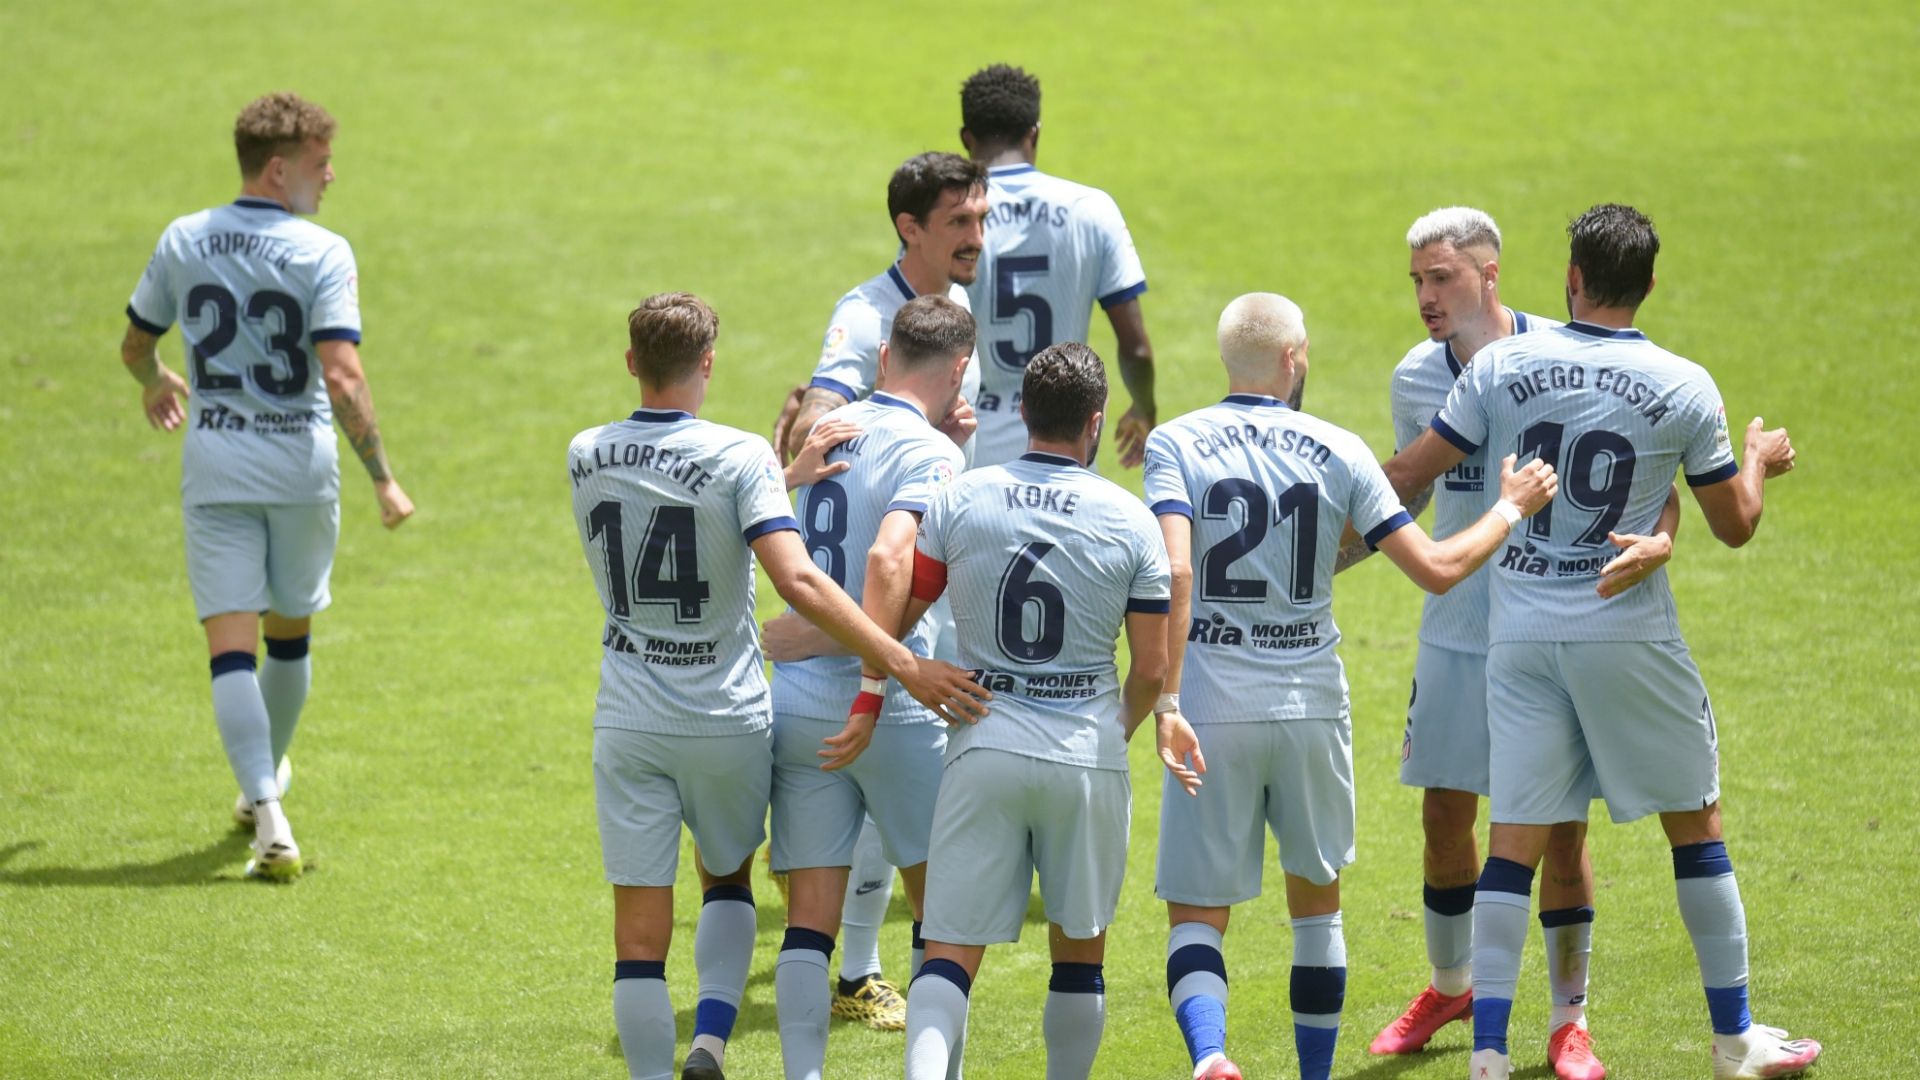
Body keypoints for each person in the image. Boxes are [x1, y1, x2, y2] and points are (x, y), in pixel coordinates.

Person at [1386, 204, 1816, 1080]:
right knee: (1695, 826)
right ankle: (1733, 1040)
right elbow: (1733, 525)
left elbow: (1409, 474)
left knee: (1512, 841)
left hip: (1520, 636)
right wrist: (1759, 458)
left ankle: (1492, 1058)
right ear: (1650, 284)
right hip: (1627, 635)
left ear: (1569, 279)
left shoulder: (1500, 365)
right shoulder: (1686, 382)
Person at [569, 293, 988, 1080]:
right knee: (935, 914)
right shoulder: (750, 458)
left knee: (719, 931)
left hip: (656, 709)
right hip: (755, 711)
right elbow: (816, 571)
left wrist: (785, 474)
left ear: (632, 362)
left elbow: (686, 507)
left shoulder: (584, 450)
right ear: (708, 363)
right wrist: (892, 664)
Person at [1142, 293, 1559, 1080]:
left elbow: (1174, 568)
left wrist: (1166, 700)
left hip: (1210, 706)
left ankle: (1211, 1058)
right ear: (1295, 360)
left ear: (1228, 358)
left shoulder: (1177, 443)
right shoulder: (1338, 448)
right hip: (1309, 707)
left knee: (1198, 912)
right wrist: (1507, 509)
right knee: (1317, 906)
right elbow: (1436, 571)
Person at [1359, 207, 1680, 1080]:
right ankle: (1450, 984)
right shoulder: (1415, 376)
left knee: (1560, 836)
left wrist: (1665, 537)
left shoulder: (1558, 355)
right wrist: (1320, 564)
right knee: (1443, 815)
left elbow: (1643, 468)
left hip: (1547, 629)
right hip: (1457, 633)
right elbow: (1406, 494)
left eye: (1442, 278)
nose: (1426, 297)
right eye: (1417, 280)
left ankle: (1568, 1021)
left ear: (1491, 273)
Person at [119, 91, 414, 882]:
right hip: (301, 467)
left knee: (229, 652)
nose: (331, 177)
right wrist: (384, 477)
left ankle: (264, 805)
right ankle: (266, 795)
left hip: (216, 466)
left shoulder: (183, 238)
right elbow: (343, 376)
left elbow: (135, 343)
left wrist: (154, 381)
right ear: (279, 169)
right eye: (321, 164)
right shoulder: (323, 251)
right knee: (290, 634)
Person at [882, 342, 1170, 1080]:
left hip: (983, 740)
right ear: (1095, 422)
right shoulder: (1133, 520)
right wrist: (1111, 729)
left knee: (947, 951)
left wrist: (910, 673)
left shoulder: (960, 497)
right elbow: (1153, 669)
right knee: (1080, 951)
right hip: (1086, 755)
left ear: (1023, 413)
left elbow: (904, 614)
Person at [767, 151, 992, 1028]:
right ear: (911, 230)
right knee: (946, 899)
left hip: (828, 653)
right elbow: (821, 409)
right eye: (960, 223)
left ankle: (841, 985)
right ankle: (877, 985)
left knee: (813, 901)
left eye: (981, 218)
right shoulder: (863, 317)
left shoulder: (950, 306)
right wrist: (878, 670)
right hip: (880, 651)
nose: (977, 236)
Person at [956, 63, 1158, 467]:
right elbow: (1135, 347)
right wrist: (1143, 406)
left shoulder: (950, 217)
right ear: (1035, 131)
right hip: (1067, 442)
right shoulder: (1091, 208)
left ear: (966, 138)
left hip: (971, 441)